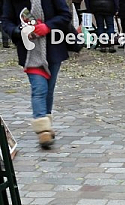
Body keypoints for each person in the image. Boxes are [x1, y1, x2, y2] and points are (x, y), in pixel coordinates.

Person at [2, 0, 71, 148]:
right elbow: (6, 21)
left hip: (53, 49)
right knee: (39, 88)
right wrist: (19, 31)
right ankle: (43, 131)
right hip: (29, 53)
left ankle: (46, 123)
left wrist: (47, 27)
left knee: (49, 90)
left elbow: (65, 15)